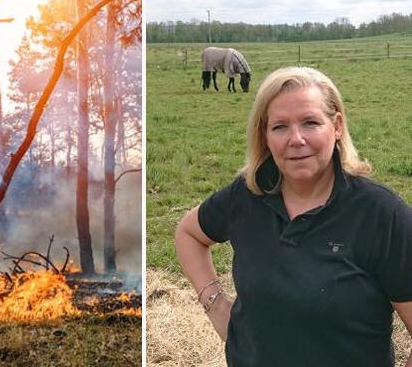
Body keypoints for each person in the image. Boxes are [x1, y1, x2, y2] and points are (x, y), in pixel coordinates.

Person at [174, 66, 412, 367]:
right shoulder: (248, 195)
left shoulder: (381, 214)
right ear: (265, 134)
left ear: (336, 126)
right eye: (280, 126)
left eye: (311, 122)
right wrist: (215, 304)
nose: (295, 139)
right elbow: (189, 233)